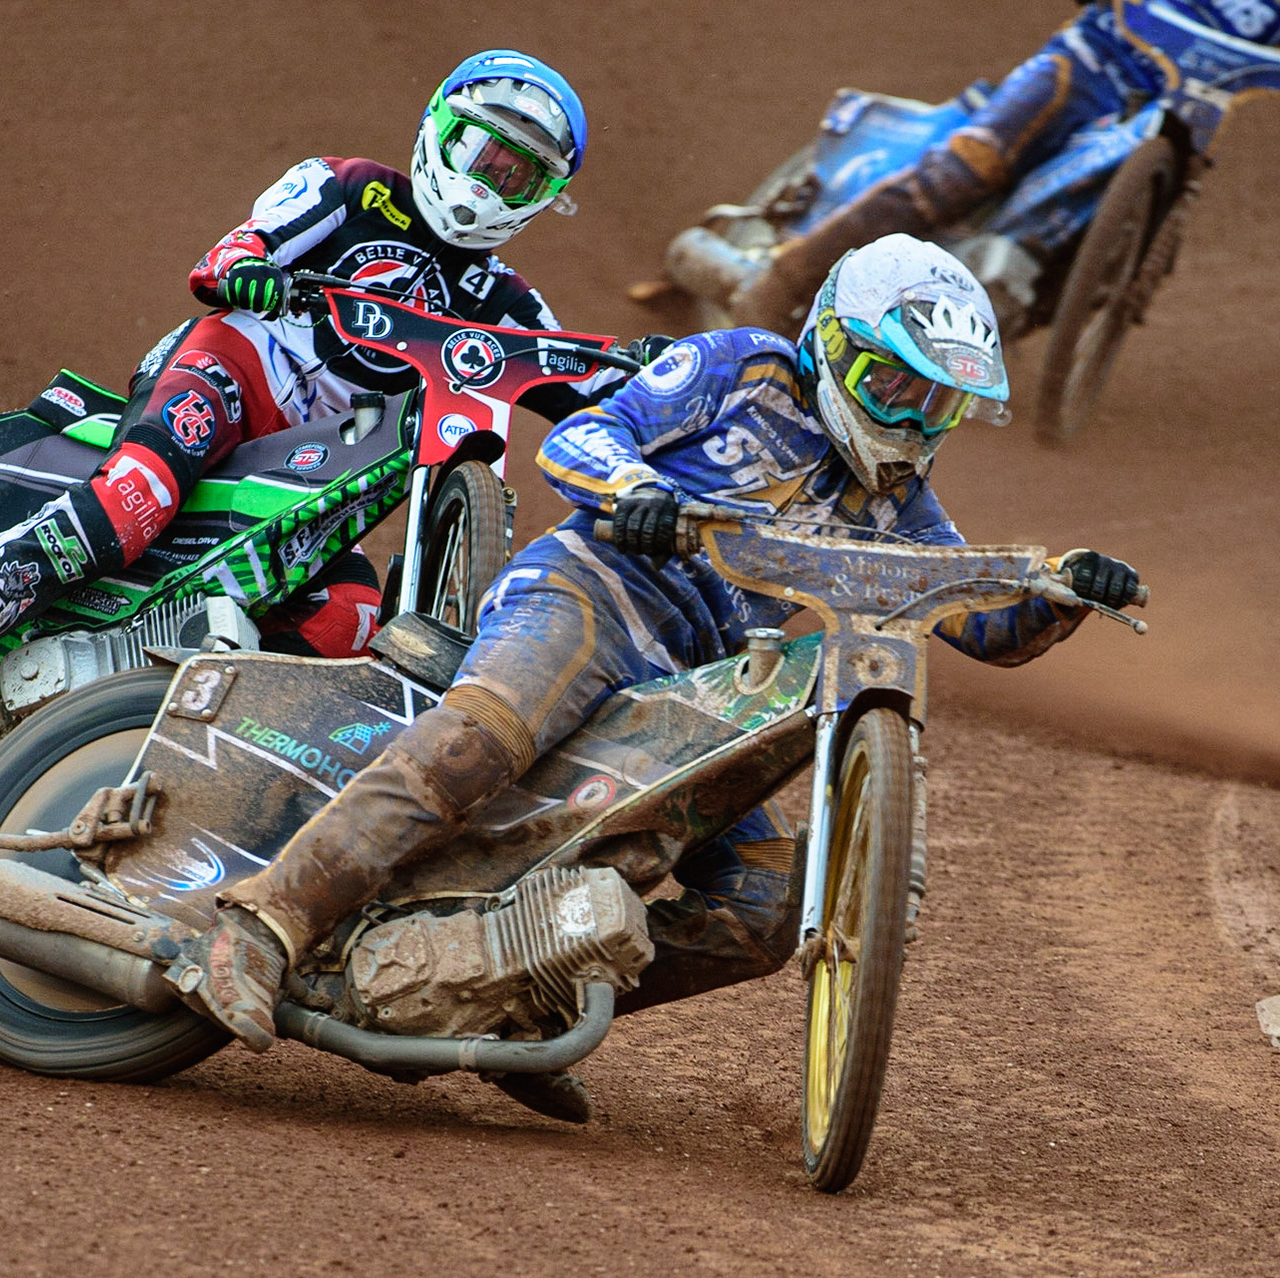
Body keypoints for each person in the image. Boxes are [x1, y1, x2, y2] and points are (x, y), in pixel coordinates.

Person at [176, 236, 1143, 1109]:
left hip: (696, 686)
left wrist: (1062, 594)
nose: (911, 421)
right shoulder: (743, 369)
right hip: (589, 594)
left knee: (764, 907)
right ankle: (260, 927)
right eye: (895, 387)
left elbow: (977, 621)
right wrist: (636, 492)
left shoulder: (897, 505)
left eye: (937, 403)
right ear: (839, 349)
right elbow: (580, 436)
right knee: (483, 740)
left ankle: (523, 1006)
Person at [0, 50, 649, 751]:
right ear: (441, 130)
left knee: (354, 619)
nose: (492, 182)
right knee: (136, 499)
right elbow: (238, 246)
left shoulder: (504, 303)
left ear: (545, 195)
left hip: (324, 473)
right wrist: (248, 268)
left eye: (520, 173)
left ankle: (166, 732)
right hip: (232, 374)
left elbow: (594, 381)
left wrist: (672, 383)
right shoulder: (347, 188)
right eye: (483, 152)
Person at [725, 0, 1280, 334]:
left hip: (1176, 121)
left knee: (1141, 233)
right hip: (1082, 69)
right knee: (964, 173)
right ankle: (782, 281)